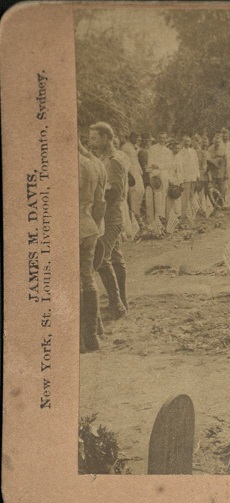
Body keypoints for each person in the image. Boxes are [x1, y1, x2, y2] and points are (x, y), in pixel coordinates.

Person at [89, 122, 130, 319]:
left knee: (102, 258)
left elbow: (116, 192)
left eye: (95, 138)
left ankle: (117, 305)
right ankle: (121, 300)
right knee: (116, 257)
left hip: (112, 216)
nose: (92, 143)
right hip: (107, 215)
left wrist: (95, 201)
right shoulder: (103, 158)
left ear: (106, 138)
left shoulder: (115, 160)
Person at [79, 138, 106, 351]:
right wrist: (95, 227)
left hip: (73, 227)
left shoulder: (66, 165)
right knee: (88, 278)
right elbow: (100, 202)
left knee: (74, 281)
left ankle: (81, 338)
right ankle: (93, 336)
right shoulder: (92, 164)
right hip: (89, 225)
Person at [174, 135, 201, 218]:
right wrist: (181, 178)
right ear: (183, 142)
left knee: (192, 195)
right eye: (185, 141)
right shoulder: (180, 152)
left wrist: (197, 176)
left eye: (188, 141)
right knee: (184, 196)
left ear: (190, 142)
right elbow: (180, 166)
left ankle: (194, 211)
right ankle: (184, 213)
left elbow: (196, 164)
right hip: (185, 177)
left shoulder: (193, 151)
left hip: (192, 176)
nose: (186, 143)